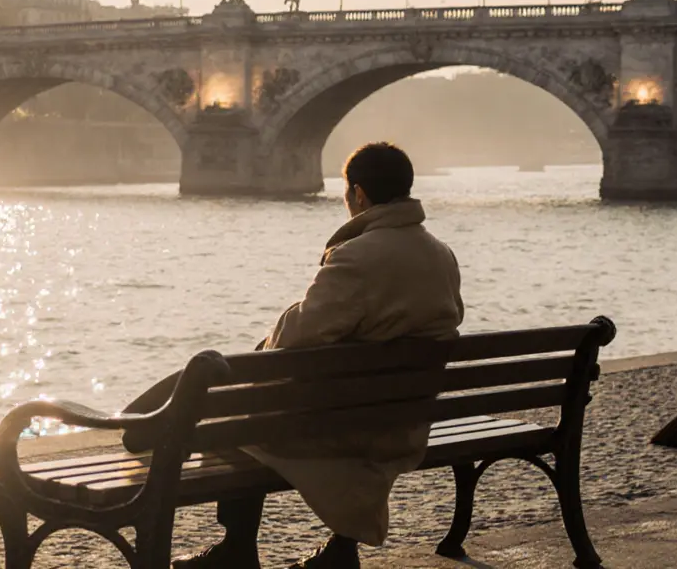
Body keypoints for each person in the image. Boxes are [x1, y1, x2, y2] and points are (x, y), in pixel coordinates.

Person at [173, 143, 464, 569]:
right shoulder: (441, 254)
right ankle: (340, 549)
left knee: (232, 422)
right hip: (406, 419)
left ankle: (237, 546)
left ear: (359, 195)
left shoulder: (357, 256)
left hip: (351, 428)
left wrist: (284, 318)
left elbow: (296, 337)